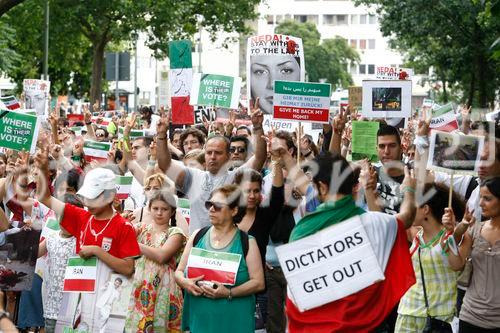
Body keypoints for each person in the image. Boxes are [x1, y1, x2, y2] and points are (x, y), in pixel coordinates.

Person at [285, 152, 417, 332]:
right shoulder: (376, 223)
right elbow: (407, 217)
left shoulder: (301, 232)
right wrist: (409, 190)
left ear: (322, 187)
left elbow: (298, 293)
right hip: (367, 326)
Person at [157, 106, 267, 235]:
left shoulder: (237, 177)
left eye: (218, 153)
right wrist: (161, 135)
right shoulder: (192, 176)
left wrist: (258, 127)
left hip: (227, 246)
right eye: (209, 153)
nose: (213, 157)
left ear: (229, 156)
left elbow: (259, 158)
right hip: (198, 247)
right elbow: (165, 165)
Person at [35, 149, 141, 277]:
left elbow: (129, 268)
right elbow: (44, 198)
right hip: (79, 293)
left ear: (111, 195)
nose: (88, 203)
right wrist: (41, 170)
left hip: (108, 293)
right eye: (86, 197)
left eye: (94, 197)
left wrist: (97, 251)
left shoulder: (124, 227)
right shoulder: (81, 217)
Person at [175, 185, 265, 333]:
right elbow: (178, 271)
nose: (211, 209)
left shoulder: (248, 242)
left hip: (235, 322)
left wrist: (229, 293)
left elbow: (259, 283)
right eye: (209, 204)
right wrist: (186, 283)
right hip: (200, 321)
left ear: (234, 210)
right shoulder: (197, 236)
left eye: (217, 206)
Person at [395, 183, 465, 332]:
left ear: (425, 209)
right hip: (408, 311)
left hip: (439, 316)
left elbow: (458, 266)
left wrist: (452, 232)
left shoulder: (451, 235)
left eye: (412, 205)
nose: (407, 210)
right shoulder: (417, 237)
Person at [126, 190, 186, 332]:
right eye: (155, 208)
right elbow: (118, 239)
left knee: (162, 325)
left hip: (165, 289)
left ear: (172, 212)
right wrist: (124, 225)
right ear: (149, 209)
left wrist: (133, 243)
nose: (159, 213)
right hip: (140, 286)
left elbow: (161, 256)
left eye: (164, 209)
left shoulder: (176, 233)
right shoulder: (140, 228)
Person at [447, 177, 500, 332]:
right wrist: (454, 233)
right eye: (481, 198)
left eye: (487, 199)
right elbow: (456, 265)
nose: (481, 203)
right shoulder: (474, 230)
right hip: (470, 315)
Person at [374, 124, 406, 214]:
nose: (387, 151)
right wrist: (337, 133)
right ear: (376, 150)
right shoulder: (372, 175)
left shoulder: (412, 178)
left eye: (392, 146)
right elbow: (333, 170)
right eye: (382, 146)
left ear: (401, 148)